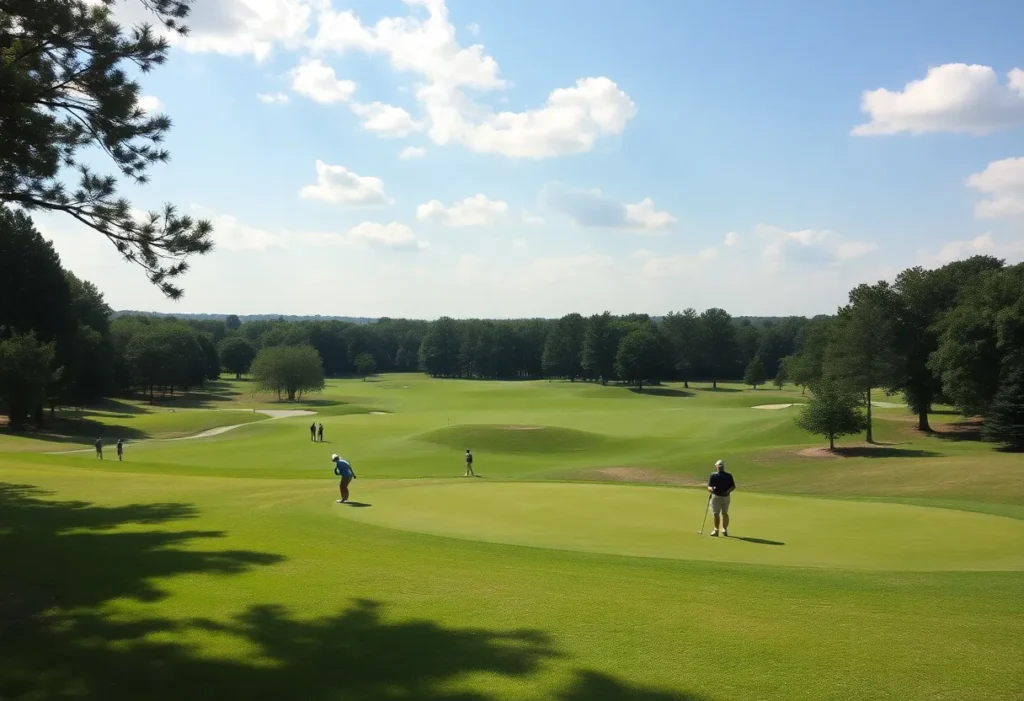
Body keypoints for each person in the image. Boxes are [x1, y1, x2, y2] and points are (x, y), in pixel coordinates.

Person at [707, 459, 735, 537]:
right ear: (717, 467)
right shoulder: (713, 475)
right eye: (718, 466)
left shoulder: (728, 476)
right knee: (716, 513)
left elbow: (733, 486)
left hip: (724, 497)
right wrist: (711, 490)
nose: (719, 467)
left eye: (720, 466)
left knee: (724, 513)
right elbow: (709, 486)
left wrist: (728, 491)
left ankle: (724, 529)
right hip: (716, 496)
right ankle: (716, 530)